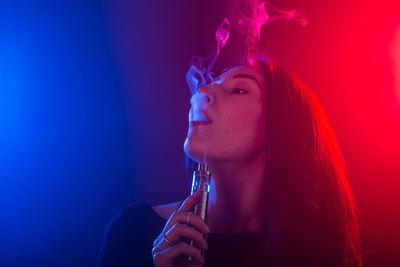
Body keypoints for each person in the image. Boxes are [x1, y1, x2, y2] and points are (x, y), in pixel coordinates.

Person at [97, 57, 362, 267]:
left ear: (282, 128)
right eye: (210, 84)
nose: (202, 92)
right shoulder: (132, 233)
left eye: (239, 89)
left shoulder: (312, 252)